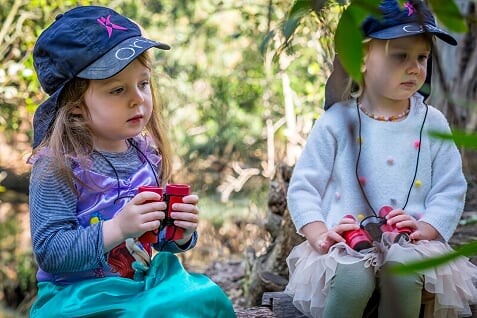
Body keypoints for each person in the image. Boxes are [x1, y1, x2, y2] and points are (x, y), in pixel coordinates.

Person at [27, 6, 235, 317]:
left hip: (138, 283)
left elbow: (153, 239)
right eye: (118, 89)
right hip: (77, 296)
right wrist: (118, 227)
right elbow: (51, 253)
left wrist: (180, 232)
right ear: (75, 108)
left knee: (207, 298)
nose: (137, 98)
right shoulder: (58, 165)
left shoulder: (145, 155)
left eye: (143, 83)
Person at [284, 1, 477, 317]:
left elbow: (450, 188)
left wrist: (427, 227)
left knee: (403, 273)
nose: (415, 68)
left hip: (411, 244)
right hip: (346, 244)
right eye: (400, 56)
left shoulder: (432, 122)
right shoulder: (336, 122)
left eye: (422, 57)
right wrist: (319, 233)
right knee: (352, 279)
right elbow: (304, 187)